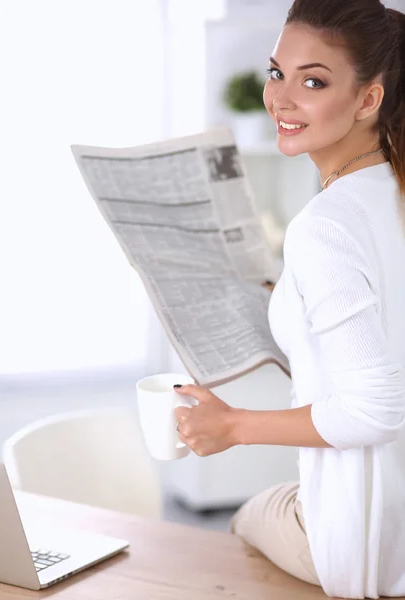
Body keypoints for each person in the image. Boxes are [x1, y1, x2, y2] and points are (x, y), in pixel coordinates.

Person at [173, 0, 405, 598]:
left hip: (376, 546)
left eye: (314, 81)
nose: (280, 98)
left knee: (246, 520)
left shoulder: (327, 224)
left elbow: (375, 410)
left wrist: (230, 426)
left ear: (368, 99)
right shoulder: (387, 193)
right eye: (277, 72)